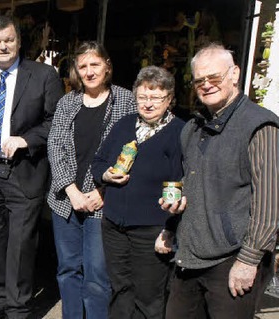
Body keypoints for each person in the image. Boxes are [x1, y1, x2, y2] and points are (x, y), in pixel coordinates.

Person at [158, 43, 279, 318]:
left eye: (215, 77)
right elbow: (191, 183)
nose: (207, 85)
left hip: (232, 258)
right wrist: (175, 211)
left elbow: (269, 205)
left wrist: (248, 261)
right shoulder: (192, 127)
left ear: (235, 74)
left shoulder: (260, 125)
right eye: (200, 80)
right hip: (189, 254)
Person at [0, 15, 63, 319]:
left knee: (20, 246)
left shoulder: (44, 76)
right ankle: (0, 301)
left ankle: (18, 309)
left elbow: (55, 122)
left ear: (19, 42)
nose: (2, 46)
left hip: (24, 172)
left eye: (8, 40)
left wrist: (26, 140)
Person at [47, 41, 136, 319]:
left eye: (94, 64)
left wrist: (103, 191)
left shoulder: (125, 100)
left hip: (103, 200)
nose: (89, 71)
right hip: (66, 200)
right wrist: (71, 190)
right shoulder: (68, 101)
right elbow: (55, 145)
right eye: (83, 66)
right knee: (68, 270)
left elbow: (131, 148)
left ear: (107, 66)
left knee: (97, 275)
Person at [90, 66, 183, 319]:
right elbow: (98, 162)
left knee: (148, 297)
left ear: (169, 99)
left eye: (156, 97)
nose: (148, 104)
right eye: (143, 97)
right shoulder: (124, 125)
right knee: (120, 290)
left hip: (151, 230)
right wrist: (105, 175)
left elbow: (179, 183)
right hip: (114, 225)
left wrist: (169, 229)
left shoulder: (179, 133)